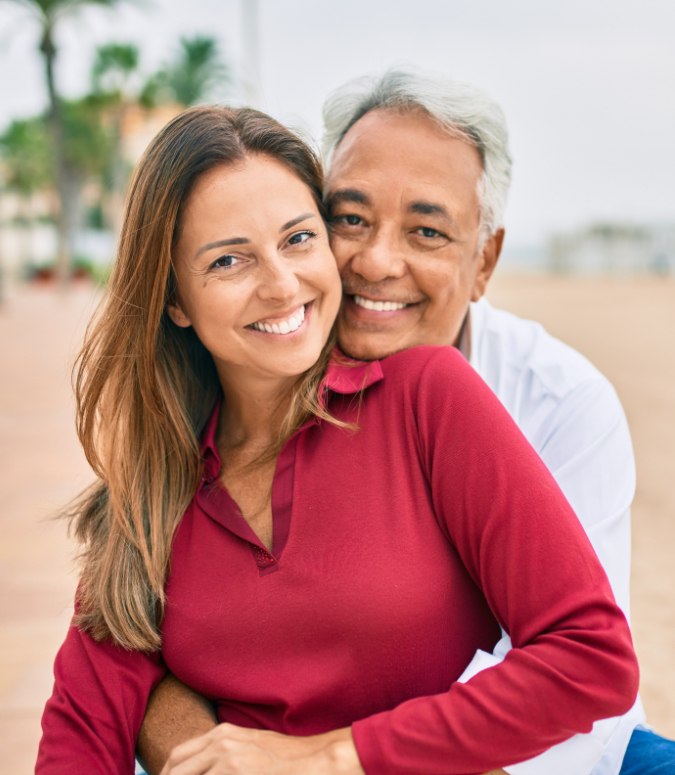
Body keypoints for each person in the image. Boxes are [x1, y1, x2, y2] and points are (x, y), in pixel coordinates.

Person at [36, 105, 639, 775]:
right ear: (174, 299)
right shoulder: (154, 488)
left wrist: (327, 756)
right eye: (229, 260)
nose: (280, 284)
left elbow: (591, 657)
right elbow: (83, 727)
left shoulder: (427, 395)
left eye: (297, 239)